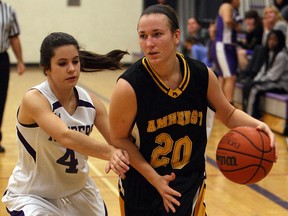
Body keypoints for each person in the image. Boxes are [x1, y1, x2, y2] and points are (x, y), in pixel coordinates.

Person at [108, 4, 278, 216]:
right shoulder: (129, 86)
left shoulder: (200, 75)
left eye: (157, 34)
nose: (149, 43)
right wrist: (155, 179)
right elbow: (118, 139)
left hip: (189, 183)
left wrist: (259, 125)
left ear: (176, 36)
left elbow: (229, 113)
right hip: (143, 185)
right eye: (143, 36)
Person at [2, 32, 130, 215]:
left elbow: (118, 141)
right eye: (62, 64)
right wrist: (110, 153)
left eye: (75, 62)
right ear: (46, 68)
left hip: (79, 191)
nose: (71, 69)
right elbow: (65, 136)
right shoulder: (34, 99)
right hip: (35, 196)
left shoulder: (91, 103)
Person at [243, 30, 288, 119]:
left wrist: (259, 81)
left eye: (274, 40)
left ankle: (251, 116)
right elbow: (263, 70)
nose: (271, 42)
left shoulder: (282, 55)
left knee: (255, 89)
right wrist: (255, 80)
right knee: (248, 85)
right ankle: (246, 112)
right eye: (270, 39)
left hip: (280, 84)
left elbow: (273, 75)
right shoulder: (270, 52)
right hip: (270, 80)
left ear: (280, 41)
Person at [0, 1, 25, 153]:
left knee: (0, 99)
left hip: (1, 58)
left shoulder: (8, 10)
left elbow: (14, 37)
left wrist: (20, 61)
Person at [214, 0, 242, 104]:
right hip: (224, 46)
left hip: (225, 46)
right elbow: (227, 20)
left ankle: (218, 105)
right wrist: (237, 27)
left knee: (223, 77)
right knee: (231, 77)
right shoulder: (227, 6)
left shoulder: (226, 7)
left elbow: (215, 28)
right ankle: (229, 104)